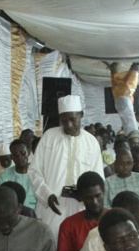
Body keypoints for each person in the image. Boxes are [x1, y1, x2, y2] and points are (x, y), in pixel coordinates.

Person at [29, 95, 105, 237]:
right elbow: (34, 172)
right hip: (53, 206)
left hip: (81, 206)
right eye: (64, 121)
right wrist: (47, 195)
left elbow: (98, 177)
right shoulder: (49, 137)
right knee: (53, 243)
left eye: (73, 119)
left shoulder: (91, 142)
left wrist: (85, 196)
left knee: (80, 246)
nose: (69, 125)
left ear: (81, 115)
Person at [57, 172, 105, 251]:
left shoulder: (116, 219)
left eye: (98, 196)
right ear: (80, 197)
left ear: (104, 191)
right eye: (88, 198)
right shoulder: (68, 225)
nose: (94, 202)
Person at [104, 147, 139, 214]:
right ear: (115, 164)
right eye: (121, 163)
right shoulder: (108, 183)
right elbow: (105, 207)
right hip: (118, 218)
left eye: (128, 163)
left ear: (133, 163)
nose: (125, 167)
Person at [0, 139, 36, 212]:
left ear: (28, 152)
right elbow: (0, 201)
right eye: (16, 155)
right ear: (11, 157)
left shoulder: (37, 174)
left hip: (36, 216)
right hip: (13, 217)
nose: (20, 157)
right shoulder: (4, 177)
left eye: (23, 152)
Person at [106, 61, 139, 134]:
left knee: (126, 83)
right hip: (122, 99)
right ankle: (114, 68)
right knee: (119, 82)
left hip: (123, 99)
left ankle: (133, 67)